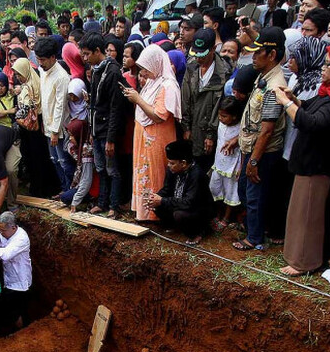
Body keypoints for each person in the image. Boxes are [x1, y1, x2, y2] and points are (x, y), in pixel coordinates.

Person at [279, 41, 330, 275]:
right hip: (309, 161)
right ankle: (296, 256)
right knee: (300, 210)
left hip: (318, 163)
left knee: (308, 214)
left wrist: (287, 105)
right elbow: (311, 108)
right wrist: (294, 99)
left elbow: (313, 122)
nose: (323, 69)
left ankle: (303, 262)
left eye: (328, 65)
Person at [232, 27, 288, 251]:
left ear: (272, 56)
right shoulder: (265, 75)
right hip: (252, 147)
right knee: (247, 191)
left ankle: (254, 238)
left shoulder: (274, 87)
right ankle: (255, 230)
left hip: (262, 151)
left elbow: (267, 130)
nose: (253, 57)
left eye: (258, 53)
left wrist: (254, 160)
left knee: (254, 194)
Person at [121, 45, 181, 222]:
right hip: (144, 137)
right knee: (143, 173)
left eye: (146, 68)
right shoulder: (153, 82)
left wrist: (137, 99)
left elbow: (159, 115)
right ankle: (143, 211)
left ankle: (156, 214)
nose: (144, 73)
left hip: (156, 138)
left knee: (156, 173)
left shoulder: (168, 85)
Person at [80, 32, 128, 218]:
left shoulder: (113, 71)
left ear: (97, 51)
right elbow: (94, 105)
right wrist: (92, 130)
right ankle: (102, 202)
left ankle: (114, 206)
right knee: (101, 168)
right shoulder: (98, 69)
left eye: (86, 54)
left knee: (112, 169)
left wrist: (110, 139)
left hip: (107, 130)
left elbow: (116, 109)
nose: (85, 58)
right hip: (98, 129)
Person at [182, 29, 233, 172]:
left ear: (213, 49)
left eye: (203, 54)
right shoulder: (191, 67)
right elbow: (185, 99)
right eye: (196, 54)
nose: (199, 58)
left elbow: (222, 106)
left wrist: (211, 134)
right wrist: (186, 127)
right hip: (192, 129)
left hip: (213, 131)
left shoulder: (224, 72)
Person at [148, 140, 214, 244]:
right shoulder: (172, 169)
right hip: (180, 202)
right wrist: (155, 198)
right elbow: (166, 189)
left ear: (183, 163)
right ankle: (173, 226)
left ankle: (198, 232)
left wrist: (162, 200)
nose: (169, 165)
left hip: (197, 209)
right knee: (156, 204)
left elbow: (189, 203)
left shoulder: (197, 175)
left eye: (172, 163)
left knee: (179, 214)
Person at [211, 78, 254, 229]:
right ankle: (217, 213)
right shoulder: (222, 126)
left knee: (230, 192)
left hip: (232, 166)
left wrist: (240, 168)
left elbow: (242, 149)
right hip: (219, 163)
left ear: (234, 116)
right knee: (216, 188)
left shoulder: (239, 129)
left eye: (224, 116)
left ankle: (227, 217)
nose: (221, 119)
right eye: (220, 115)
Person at [11, 56, 55, 197]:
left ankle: (39, 190)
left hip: (33, 127)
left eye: (20, 74)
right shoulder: (31, 84)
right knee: (35, 157)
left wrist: (18, 114)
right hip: (32, 126)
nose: (18, 77)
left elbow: (29, 108)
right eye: (16, 74)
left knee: (37, 158)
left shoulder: (31, 86)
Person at [36, 37, 74, 193]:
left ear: (53, 57)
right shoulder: (43, 71)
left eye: (43, 59)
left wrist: (54, 131)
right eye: (38, 59)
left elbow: (60, 106)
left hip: (59, 129)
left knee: (64, 160)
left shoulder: (61, 77)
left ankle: (72, 191)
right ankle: (64, 189)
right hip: (48, 124)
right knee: (54, 160)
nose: (40, 63)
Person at [0, 211, 32, 328]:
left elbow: (5, 254)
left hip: (19, 281)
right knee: (11, 308)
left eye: (3, 230)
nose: (0, 232)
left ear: (13, 228)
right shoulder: (2, 233)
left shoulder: (21, 238)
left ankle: (22, 332)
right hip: (8, 278)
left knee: (16, 310)